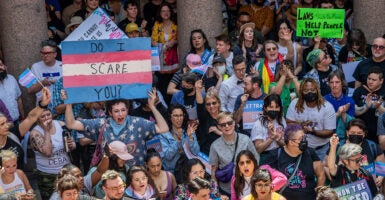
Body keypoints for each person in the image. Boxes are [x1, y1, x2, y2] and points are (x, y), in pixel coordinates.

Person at [64, 88, 169, 166]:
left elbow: (164, 128)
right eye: (116, 111)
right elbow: (71, 124)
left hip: (136, 175)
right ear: (110, 112)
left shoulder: (138, 123)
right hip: (111, 176)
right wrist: (68, 104)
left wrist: (152, 107)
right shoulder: (101, 124)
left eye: (123, 110)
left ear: (127, 110)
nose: (120, 114)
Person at [263, 124, 325, 200]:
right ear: (291, 142)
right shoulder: (275, 156)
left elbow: (320, 175)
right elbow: (263, 179)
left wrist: (318, 196)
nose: (304, 141)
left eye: (304, 137)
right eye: (301, 139)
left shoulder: (310, 152)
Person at [209, 112, 259, 195]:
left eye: (229, 123)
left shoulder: (246, 139)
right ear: (219, 127)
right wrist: (215, 192)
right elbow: (213, 171)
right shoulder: (214, 146)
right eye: (223, 125)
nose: (227, 126)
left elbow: (256, 160)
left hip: (246, 188)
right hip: (226, 190)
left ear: (234, 123)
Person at [286, 78, 336, 160]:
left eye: (312, 89)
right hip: (300, 148)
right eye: (306, 90)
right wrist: (300, 126)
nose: (310, 92)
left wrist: (313, 132)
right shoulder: (295, 103)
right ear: (301, 92)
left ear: (317, 90)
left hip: (321, 149)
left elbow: (330, 132)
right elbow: (288, 123)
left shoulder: (327, 107)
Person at [30, 108, 75, 199]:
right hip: (47, 175)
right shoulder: (35, 133)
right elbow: (47, 152)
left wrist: (71, 144)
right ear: (38, 119)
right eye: (42, 116)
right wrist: (46, 131)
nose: (47, 118)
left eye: (48, 115)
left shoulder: (61, 125)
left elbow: (73, 146)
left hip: (65, 171)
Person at [325, 119, 385, 187]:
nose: (356, 135)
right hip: (345, 189)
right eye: (353, 133)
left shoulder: (372, 146)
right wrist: (337, 180)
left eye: (359, 133)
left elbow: (381, 164)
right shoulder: (338, 146)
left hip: (368, 187)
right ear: (347, 133)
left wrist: (381, 177)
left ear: (364, 134)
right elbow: (327, 166)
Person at [159, 104, 200, 173]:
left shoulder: (189, 130)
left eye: (181, 115)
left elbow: (196, 152)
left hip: (188, 171)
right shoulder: (163, 134)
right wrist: (178, 141)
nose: (179, 118)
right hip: (172, 172)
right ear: (170, 117)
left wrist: (190, 137)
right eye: (176, 116)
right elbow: (168, 156)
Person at [151, 3, 178, 101]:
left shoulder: (175, 25)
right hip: (160, 57)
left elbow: (177, 39)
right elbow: (153, 40)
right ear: (160, 13)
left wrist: (172, 43)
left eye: (168, 11)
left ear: (171, 12)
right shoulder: (157, 25)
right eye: (163, 11)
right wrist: (163, 46)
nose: (166, 13)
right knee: (161, 82)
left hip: (173, 58)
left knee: (172, 80)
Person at [353, 66, 385, 143]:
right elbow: (353, 111)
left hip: (380, 134)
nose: (370, 81)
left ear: (381, 81)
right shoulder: (359, 91)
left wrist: (379, 108)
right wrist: (366, 107)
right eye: (369, 78)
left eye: (374, 80)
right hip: (361, 132)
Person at [251, 94, 286, 163]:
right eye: (271, 107)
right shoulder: (258, 124)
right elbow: (258, 150)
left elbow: (285, 145)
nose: (274, 110)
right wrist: (271, 138)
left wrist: (277, 139)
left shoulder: (281, 120)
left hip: (280, 153)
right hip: (265, 157)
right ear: (265, 108)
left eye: (277, 107)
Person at [27, 40, 62, 106]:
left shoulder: (62, 66)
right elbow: (29, 90)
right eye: (43, 53)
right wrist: (42, 83)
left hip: (60, 106)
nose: (45, 55)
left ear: (55, 54)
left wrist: (58, 83)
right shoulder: (35, 66)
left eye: (48, 53)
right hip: (44, 108)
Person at [324, 70, 355, 139]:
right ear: (328, 84)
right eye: (331, 82)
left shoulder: (349, 101)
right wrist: (338, 113)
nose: (334, 85)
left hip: (344, 137)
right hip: (326, 136)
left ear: (342, 83)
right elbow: (323, 123)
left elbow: (350, 125)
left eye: (337, 82)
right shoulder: (323, 100)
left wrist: (343, 113)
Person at [0, 58, 24, 136]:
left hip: (18, 121)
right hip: (3, 127)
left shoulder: (11, 78)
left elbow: (18, 99)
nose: (1, 68)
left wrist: (23, 117)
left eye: (1, 65)